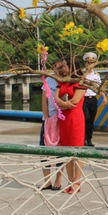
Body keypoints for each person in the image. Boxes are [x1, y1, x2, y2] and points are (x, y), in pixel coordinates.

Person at [53, 55, 86, 194]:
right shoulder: (62, 81)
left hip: (75, 118)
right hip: (64, 118)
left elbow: (75, 101)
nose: (62, 69)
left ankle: (77, 182)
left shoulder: (81, 81)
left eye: (65, 66)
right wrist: (64, 104)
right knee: (66, 150)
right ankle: (70, 181)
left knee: (77, 150)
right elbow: (55, 98)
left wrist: (64, 104)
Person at [39, 63, 64, 191]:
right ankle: (47, 181)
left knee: (61, 151)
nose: (60, 70)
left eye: (62, 67)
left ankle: (58, 180)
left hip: (61, 120)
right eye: (57, 68)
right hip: (48, 120)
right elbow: (44, 100)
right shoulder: (48, 80)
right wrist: (47, 117)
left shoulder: (65, 80)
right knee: (44, 150)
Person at [81, 52, 104, 147]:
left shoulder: (96, 75)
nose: (89, 64)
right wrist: (86, 72)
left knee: (91, 120)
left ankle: (89, 139)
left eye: (91, 63)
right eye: (88, 62)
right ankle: (83, 138)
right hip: (84, 99)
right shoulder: (82, 73)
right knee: (85, 118)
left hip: (93, 99)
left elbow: (99, 88)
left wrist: (104, 97)